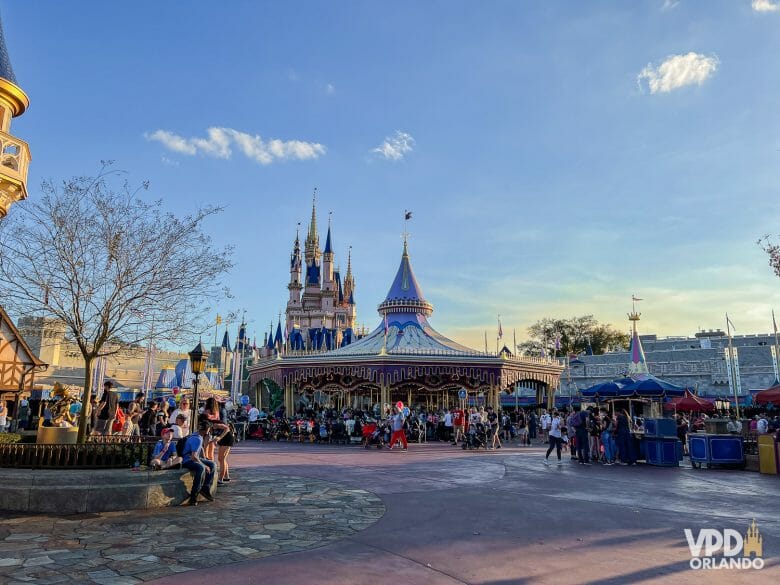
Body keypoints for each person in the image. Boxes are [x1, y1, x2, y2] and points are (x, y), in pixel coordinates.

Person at [181, 420, 217, 506]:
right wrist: (204, 465)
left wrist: (204, 459)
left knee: (212, 464)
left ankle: (205, 487)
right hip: (188, 460)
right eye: (209, 429)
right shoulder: (196, 438)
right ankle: (194, 495)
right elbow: (194, 457)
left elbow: (201, 449)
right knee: (201, 468)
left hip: (194, 457)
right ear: (206, 429)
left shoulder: (198, 435)